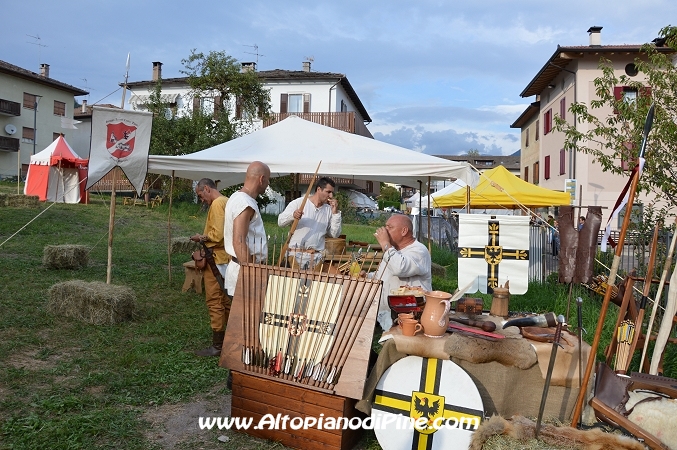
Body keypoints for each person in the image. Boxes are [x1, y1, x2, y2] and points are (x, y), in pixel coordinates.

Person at [361, 214, 431, 330]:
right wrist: (367, 276)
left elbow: (399, 268)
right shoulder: (392, 251)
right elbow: (383, 275)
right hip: (386, 315)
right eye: (385, 227)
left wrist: (385, 244)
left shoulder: (419, 250)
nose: (385, 231)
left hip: (410, 317)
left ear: (404, 231)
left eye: (390, 227)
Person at [190, 178, 231, 357]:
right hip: (226, 258)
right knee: (226, 300)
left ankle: (218, 346)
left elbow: (218, 234)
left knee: (215, 301)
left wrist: (202, 237)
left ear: (206, 188)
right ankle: (230, 339)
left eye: (201, 195)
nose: (202, 200)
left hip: (216, 257)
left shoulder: (217, 203)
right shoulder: (227, 201)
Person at [224, 161, 270, 297]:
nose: (267, 185)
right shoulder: (244, 203)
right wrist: (251, 275)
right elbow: (239, 241)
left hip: (243, 269)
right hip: (245, 272)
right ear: (261, 179)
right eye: (267, 181)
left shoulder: (237, 197)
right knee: (245, 318)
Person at [277, 177, 341, 270]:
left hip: (316, 258)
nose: (331, 196)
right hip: (295, 256)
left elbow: (335, 234)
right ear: (319, 189)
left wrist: (335, 213)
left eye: (332, 193)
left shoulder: (329, 210)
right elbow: (280, 222)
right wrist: (293, 215)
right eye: (328, 192)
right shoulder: (299, 203)